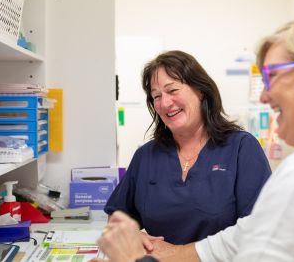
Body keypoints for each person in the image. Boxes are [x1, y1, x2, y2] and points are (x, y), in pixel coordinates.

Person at [94, 16, 294, 262]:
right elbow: (238, 238)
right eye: (156, 96)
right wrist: (167, 252)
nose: (263, 95)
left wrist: (132, 258)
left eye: (272, 77)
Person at [104, 50, 271, 247]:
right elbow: (117, 216)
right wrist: (131, 236)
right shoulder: (146, 156)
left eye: (173, 90)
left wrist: (180, 256)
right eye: (156, 96)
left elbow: (260, 231)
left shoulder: (241, 148)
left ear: (200, 91)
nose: (165, 103)